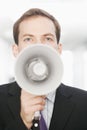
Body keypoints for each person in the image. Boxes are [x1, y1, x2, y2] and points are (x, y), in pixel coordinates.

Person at [0, 8, 87, 130]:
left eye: (47, 38)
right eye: (28, 39)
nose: (38, 46)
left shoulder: (83, 103)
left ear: (59, 49)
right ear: (16, 50)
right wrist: (22, 122)